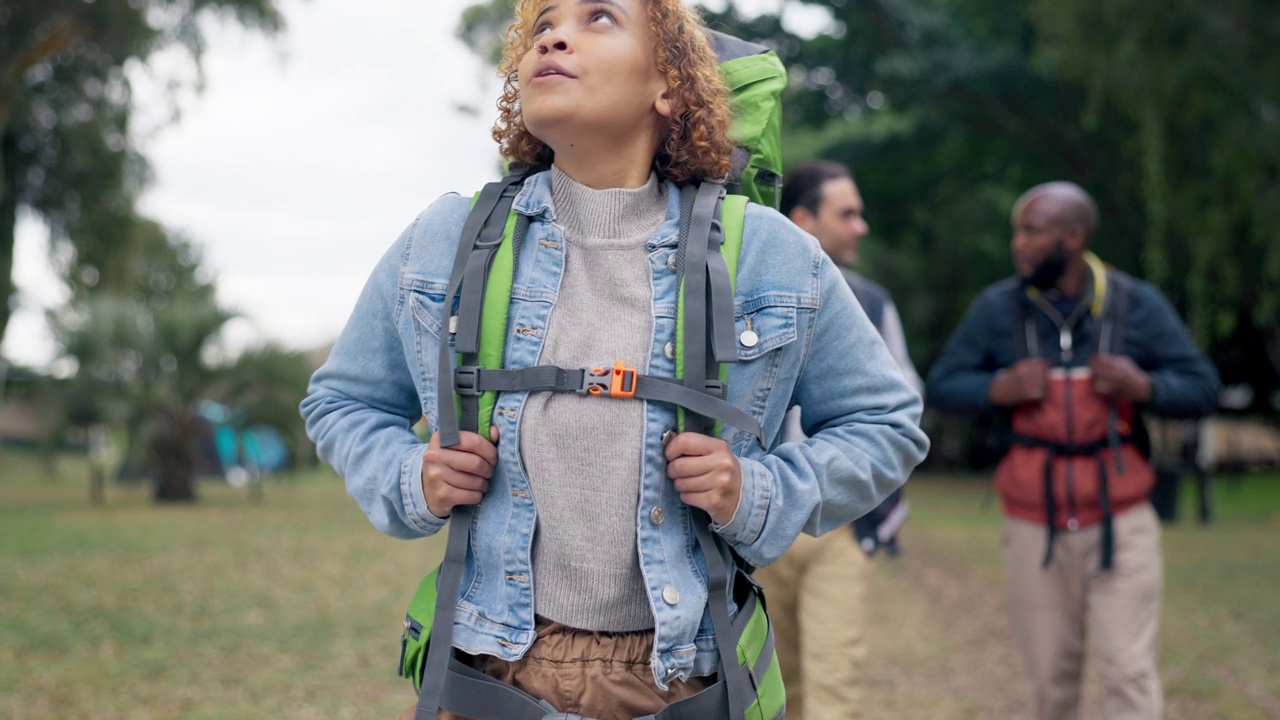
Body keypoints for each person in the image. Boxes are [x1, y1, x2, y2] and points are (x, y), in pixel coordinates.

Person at [299, 2, 930, 719]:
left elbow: (887, 421)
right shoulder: (444, 239)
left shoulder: (768, 254)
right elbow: (342, 401)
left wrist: (754, 491)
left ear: (669, 85)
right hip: (487, 674)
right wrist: (409, 475)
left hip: (685, 680)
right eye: (542, 26)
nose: (554, 36)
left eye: (599, 16)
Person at [927, 181, 1219, 720]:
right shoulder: (997, 309)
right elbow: (942, 387)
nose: (1018, 243)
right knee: (1050, 685)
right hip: (1033, 530)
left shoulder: (1136, 306)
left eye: (1031, 232)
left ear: (1074, 236)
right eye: (1017, 231)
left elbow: (1203, 388)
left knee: (1128, 675)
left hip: (1122, 525)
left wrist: (1144, 387)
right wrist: (999, 389)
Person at [752, 160, 922, 720]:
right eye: (847, 214)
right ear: (802, 219)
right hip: (752, 521)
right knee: (765, 686)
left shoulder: (873, 304)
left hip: (842, 523)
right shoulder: (742, 287)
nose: (861, 227)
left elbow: (901, 410)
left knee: (834, 686)